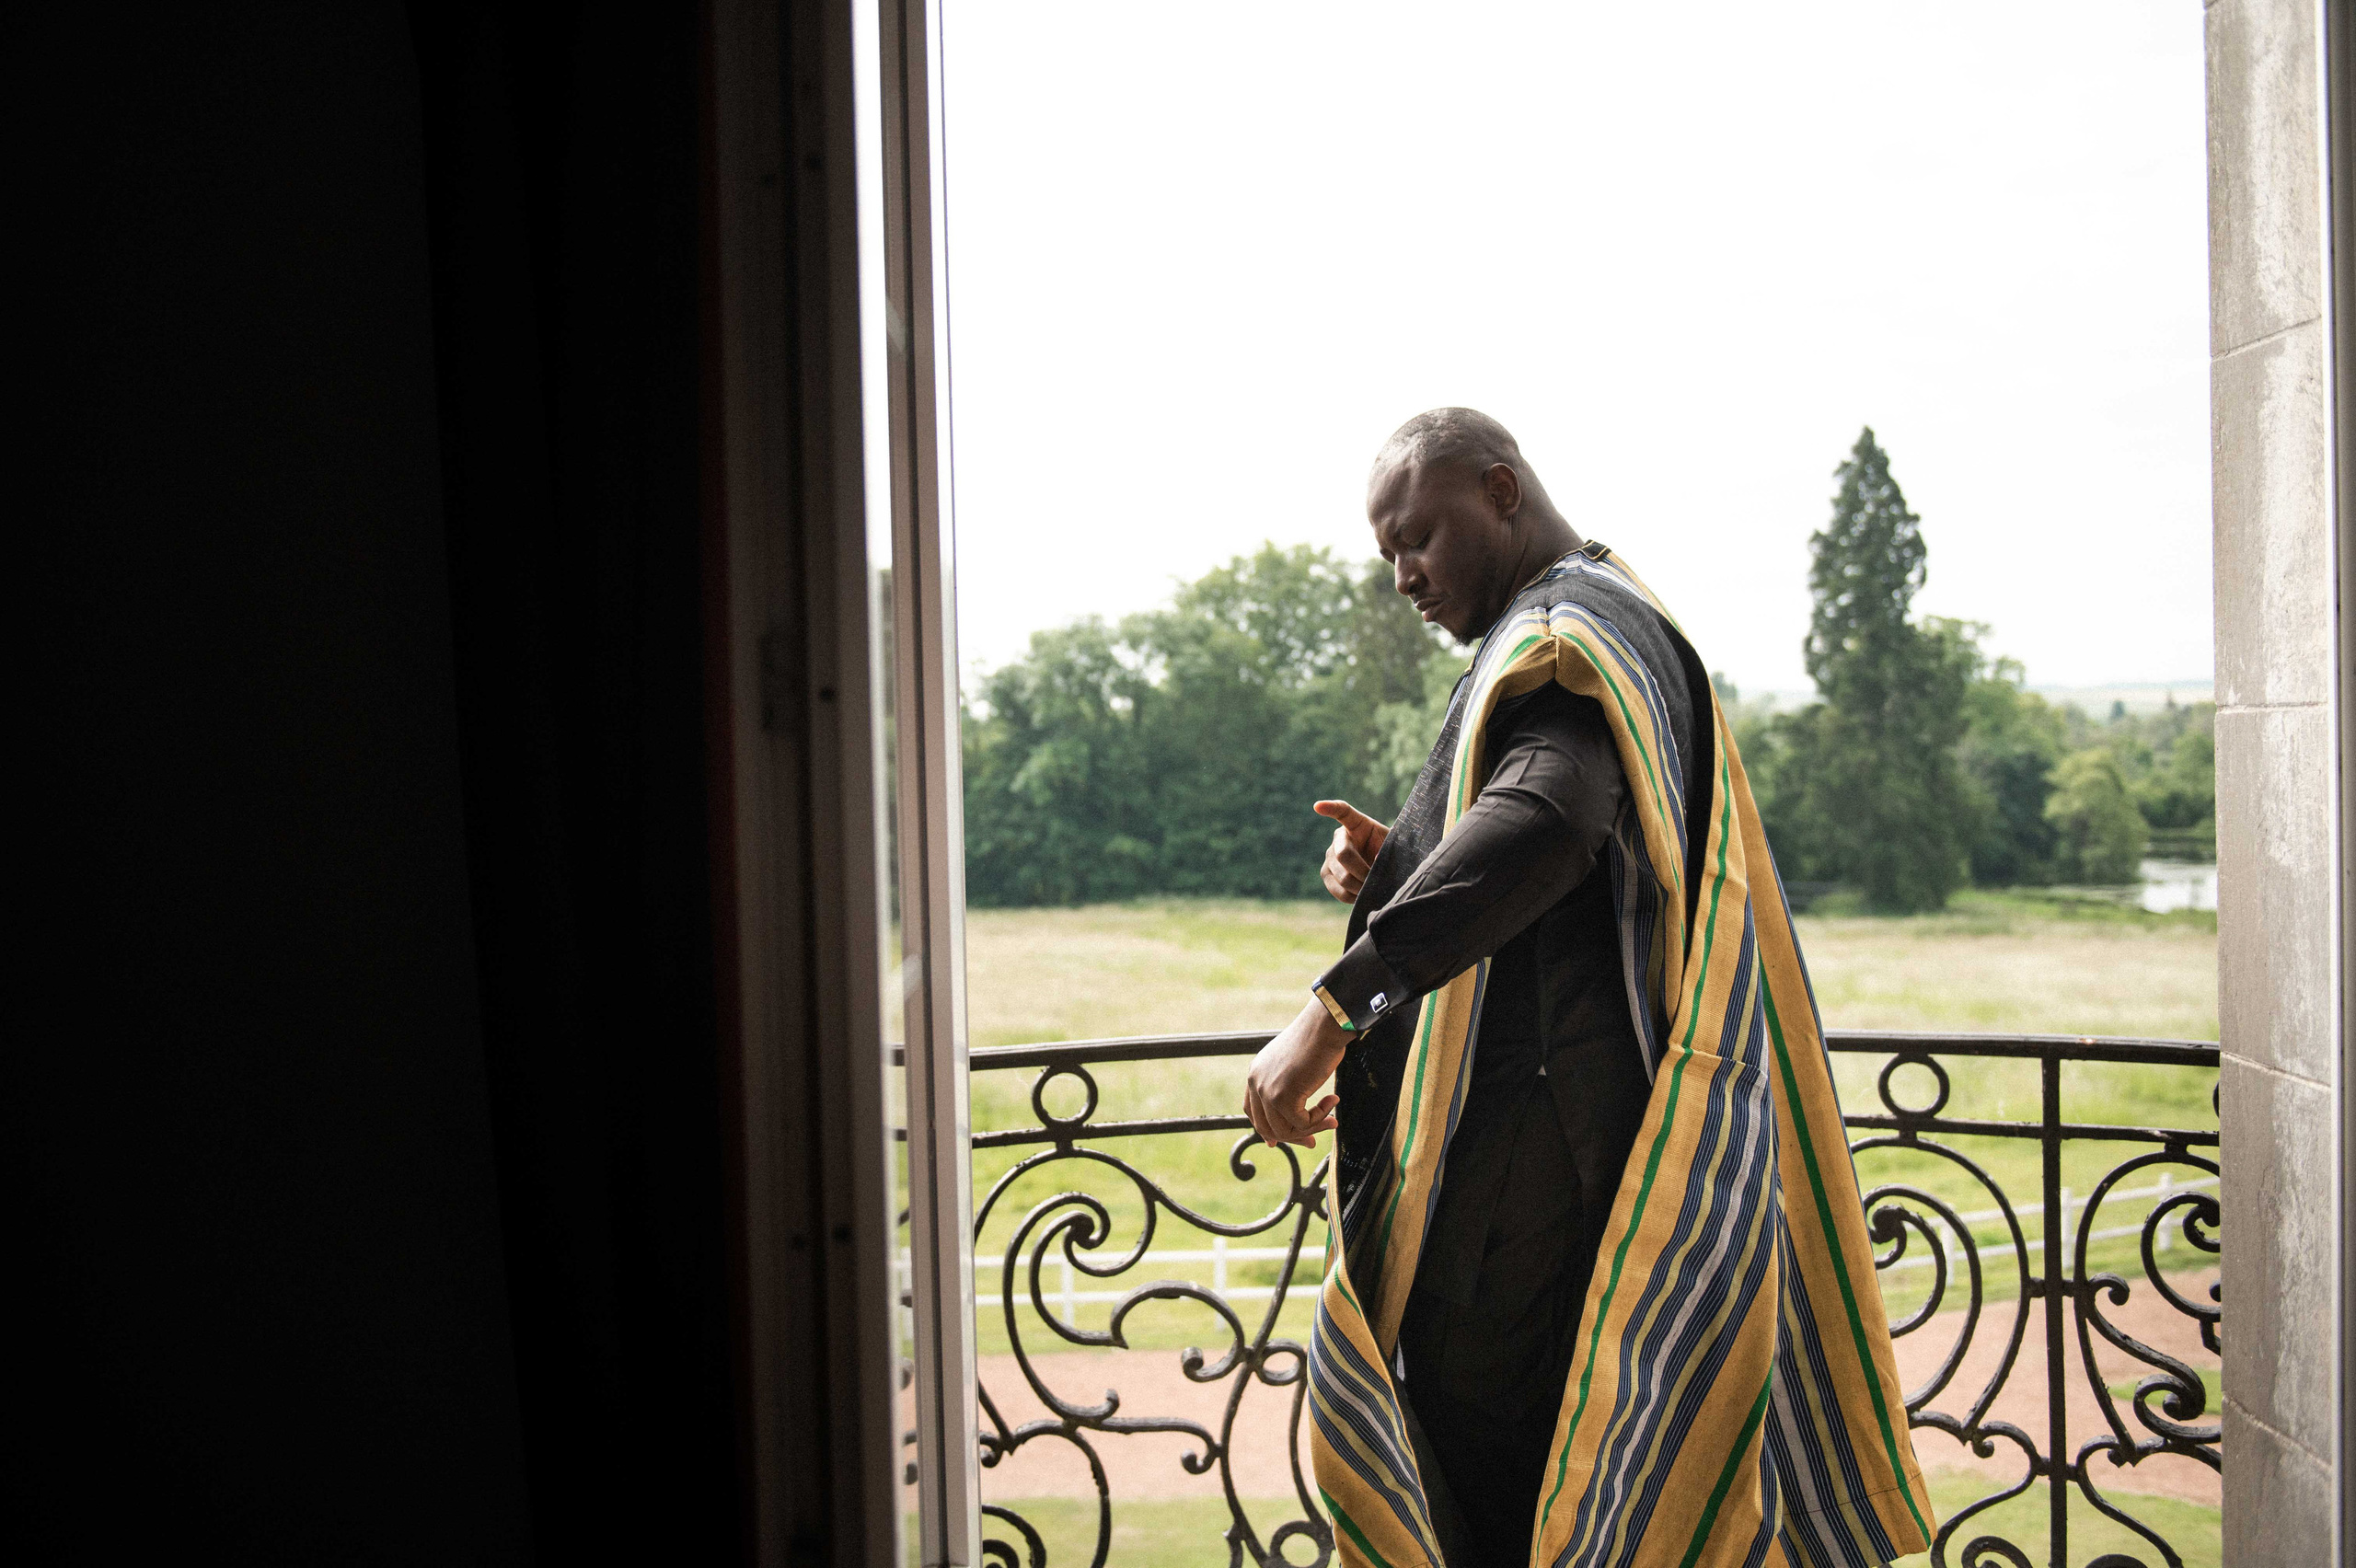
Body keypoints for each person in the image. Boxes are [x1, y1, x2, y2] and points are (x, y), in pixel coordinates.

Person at [1245, 410, 1931, 1568]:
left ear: (1499, 491)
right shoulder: (1598, 611)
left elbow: (1551, 820)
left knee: (1515, 1511)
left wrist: (1333, 1008)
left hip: (1528, 1194)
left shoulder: (1561, 632)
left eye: (1416, 538)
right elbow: (1548, 847)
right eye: (1386, 557)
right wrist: (1408, 860)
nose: (1403, 576)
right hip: (1567, 1169)